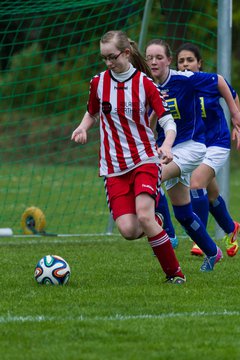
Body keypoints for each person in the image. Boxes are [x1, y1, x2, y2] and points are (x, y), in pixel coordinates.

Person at [71, 30, 186, 284]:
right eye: (104, 58)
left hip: (144, 159)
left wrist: (166, 145)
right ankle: (156, 220)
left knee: (143, 215)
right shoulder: (98, 82)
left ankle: (175, 274)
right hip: (113, 167)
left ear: (126, 53)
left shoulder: (145, 84)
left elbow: (168, 121)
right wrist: (82, 127)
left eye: (112, 57)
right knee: (129, 230)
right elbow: (91, 112)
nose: (108, 63)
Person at [145, 39, 240, 271]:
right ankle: (212, 251)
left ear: (168, 60)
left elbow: (219, 80)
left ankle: (167, 233)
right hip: (169, 150)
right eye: (150, 58)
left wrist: (236, 115)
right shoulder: (149, 86)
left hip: (192, 147)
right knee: (184, 213)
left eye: (159, 57)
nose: (154, 62)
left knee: (149, 178)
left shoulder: (185, 79)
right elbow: (149, 122)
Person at [176, 42, 240, 257]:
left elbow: (230, 92)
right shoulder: (178, 86)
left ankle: (200, 241)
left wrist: (236, 122)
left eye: (190, 60)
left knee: (195, 184)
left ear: (199, 63)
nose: (185, 64)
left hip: (217, 143)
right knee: (211, 195)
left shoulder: (209, 81)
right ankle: (232, 229)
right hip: (195, 147)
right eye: (181, 61)